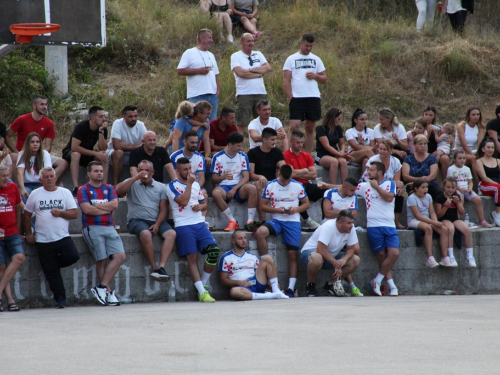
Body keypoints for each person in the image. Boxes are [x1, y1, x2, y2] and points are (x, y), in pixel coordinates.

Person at [24, 167, 80, 308]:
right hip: (43, 240)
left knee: (73, 256)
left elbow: (74, 214)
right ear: (41, 179)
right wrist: (29, 233)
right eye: (46, 177)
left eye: (51, 176)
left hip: (62, 237)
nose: (49, 179)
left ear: (56, 178)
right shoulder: (35, 194)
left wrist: (61, 213)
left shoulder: (65, 192)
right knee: (52, 274)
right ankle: (60, 299)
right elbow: (27, 214)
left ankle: (52, 265)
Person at [166, 157, 220, 303]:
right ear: (178, 171)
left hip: (199, 224)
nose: (189, 172)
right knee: (192, 258)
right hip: (183, 225)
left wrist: (200, 207)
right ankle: (202, 293)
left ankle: (203, 284)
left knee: (214, 251)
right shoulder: (172, 186)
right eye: (185, 169)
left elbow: (204, 203)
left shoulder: (195, 184)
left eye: (190, 168)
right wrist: (189, 184)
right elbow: (183, 201)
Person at [255, 164, 310, 298]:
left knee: (292, 254)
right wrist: (277, 210)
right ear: (279, 174)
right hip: (277, 220)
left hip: (293, 221)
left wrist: (295, 209)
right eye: (283, 180)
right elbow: (262, 206)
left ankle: (291, 288)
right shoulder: (271, 185)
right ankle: (266, 263)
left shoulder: (297, 185)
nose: (286, 183)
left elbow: (306, 204)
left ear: (291, 175)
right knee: (260, 232)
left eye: (288, 180)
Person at [115, 160, 176, 281]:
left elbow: (164, 210)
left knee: (171, 234)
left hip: (155, 220)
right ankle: (154, 268)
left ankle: (161, 267)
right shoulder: (132, 182)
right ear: (137, 171)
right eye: (141, 170)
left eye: (147, 170)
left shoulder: (161, 187)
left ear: (152, 172)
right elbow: (117, 191)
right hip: (136, 220)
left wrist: (157, 224)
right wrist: (135, 178)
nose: (144, 173)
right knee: (146, 234)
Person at [78, 161, 126, 306]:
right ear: (89, 174)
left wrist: (96, 206)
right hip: (92, 227)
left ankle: (102, 287)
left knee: (120, 256)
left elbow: (115, 205)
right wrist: (106, 209)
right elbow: (87, 210)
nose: (99, 173)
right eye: (96, 171)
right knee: (102, 260)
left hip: (110, 227)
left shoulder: (109, 188)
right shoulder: (83, 189)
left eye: (101, 171)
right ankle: (108, 293)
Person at [357, 162, 400, 297]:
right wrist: (326, 186)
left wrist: (376, 187)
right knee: (381, 256)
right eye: (368, 170)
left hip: (389, 225)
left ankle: (377, 280)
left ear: (379, 172)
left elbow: (389, 198)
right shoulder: (364, 186)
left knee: (394, 254)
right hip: (373, 226)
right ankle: (391, 285)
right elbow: (348, 187)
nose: (368, 172)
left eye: (371, 170)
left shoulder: (390, 183)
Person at [300, 210, 361, 297]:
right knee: (317, 258)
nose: (351, 225)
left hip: (330, 256)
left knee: (355, 260)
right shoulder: (329, 226)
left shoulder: (351, 228)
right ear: (340, 222)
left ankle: (331, 285)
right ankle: (310, 285)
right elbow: (320, 249)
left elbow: (351, 249)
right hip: (311, 253)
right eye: (349, 223)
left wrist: (343, 260)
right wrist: (336, 264)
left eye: (352, 222)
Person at [283, 33, 327, 154]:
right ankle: (288, 154)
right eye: (306, 45)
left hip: (313, 96)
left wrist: (316, 76)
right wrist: (290, 97)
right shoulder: (291, 59)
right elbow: (286, 79)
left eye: (311, 46)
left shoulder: (316, 59)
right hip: (297, 97)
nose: (308, 48)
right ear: (301, 43)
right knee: (294, 126)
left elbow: (324, 79)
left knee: (310, 127)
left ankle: (307, 156)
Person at [6, 95, 68, 179]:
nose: (45, 107)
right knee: (13, 156)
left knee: (63, 163)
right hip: (23, 153)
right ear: (34, 106)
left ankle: (47, 181)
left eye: (46, 104)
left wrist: (39, 156)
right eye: (42, 104)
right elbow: (6, 135)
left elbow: (48, 146)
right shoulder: (22, 119)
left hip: (39, 153)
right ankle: (15, 186)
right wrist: (16, 151)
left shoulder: (49, 123)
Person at [321, 178, 363, 297]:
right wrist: (346, 212)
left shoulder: (353, 195)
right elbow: (327, 213)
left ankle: (334, 283)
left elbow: (354, 215)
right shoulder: (330, 193)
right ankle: (350, 285)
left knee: (356, 250)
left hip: (347, 226)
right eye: (352, 190)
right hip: (330, 227)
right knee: (347, 252)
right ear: (344, 187)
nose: (354, 193)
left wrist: (340, 213)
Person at [218, 230, 289, 300]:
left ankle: (276, 290)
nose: (243, 241)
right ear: (233, 241)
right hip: (242, 287)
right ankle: (270, 296)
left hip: (256, 282)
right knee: (234, 292)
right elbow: (223, 280)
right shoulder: (226, 257)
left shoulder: (252, 257)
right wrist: (240, 282)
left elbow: (260, 274)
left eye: (245, 238)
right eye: (240, 238)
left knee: (267, 258)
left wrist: (269, 285)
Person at [211, 132, 258, 231]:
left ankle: (250, 222)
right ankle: (232, 221)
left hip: (238, 186)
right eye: (238, 146)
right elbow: (214, 178)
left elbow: (246, 177)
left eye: (241, 145)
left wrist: (234, 189)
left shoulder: (243, 156)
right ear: (230, 145)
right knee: (215, 193)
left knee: (252, 188)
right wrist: (223, 177)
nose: (241, 148)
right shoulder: (218, 157)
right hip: (223, 186)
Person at [62, 106, 109, 196]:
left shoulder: (102, 129)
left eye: (104, 116)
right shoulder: (81, 126)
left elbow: (102, 149)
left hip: (87, 154)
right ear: (93, 118)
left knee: (104, 155)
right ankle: (76, 187)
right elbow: (74, 147)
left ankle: (104, 186)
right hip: (70, 153)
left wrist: (100, 132)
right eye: (101, 117)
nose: (104, 119)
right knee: (76, 154)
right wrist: (95, 153)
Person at [231, 33, 271, 135]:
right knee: (242, 123)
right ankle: (238, 147)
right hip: (244, 94)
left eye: (252, 41)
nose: (251, 43)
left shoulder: (258, 54)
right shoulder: (236, 56)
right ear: (241, 43)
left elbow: (267, 68)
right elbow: (240, 73)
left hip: (260, 92)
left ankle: (264, 146)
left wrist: (250, 69)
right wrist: (258, 74)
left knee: (263, 121)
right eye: (248, 41)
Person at [406, 178, 451, 268]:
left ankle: (445, 257)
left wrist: (435, 221)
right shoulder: (411, 198)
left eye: (426, 187)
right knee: (428, 228)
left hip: (427, 220)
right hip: (413, 220)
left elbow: (432, 212)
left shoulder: (428, 196)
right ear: (416, 189)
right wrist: (432, 222)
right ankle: (430, 258)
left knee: (444, 230)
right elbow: (417, 216)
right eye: (423, 187)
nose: (426, 189)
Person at [177, 29, 220, 122]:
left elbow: (216, 74)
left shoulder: (211, 55)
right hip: (197, 95)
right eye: (210, 38)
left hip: (212, 96)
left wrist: (217, 91)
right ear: (202, 38)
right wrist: (198, 71)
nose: (211, 40)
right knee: (194, 121)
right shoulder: (189, 52)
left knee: (211, 123)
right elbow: (180, 70)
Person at [362, 140, 406, 228]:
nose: (381, 151)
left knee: (401, 192)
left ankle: (397, 221)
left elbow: (397, 179)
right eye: (380, 149)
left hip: (389, 185)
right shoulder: (373, 160)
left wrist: (399, 186)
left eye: (384, 149)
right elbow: (370, 176)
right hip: (373, 183)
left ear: (390, 151)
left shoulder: (396, 161)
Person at [283, 130, 322, 229]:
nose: (300, 145)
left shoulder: (307, 155)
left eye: (302, 142)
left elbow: (313, 174)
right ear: (291, 142)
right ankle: (308, 220)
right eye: (297, 142)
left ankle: (326, 219)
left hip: (307, 185)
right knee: (297, 191)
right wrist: (305, 170)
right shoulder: (285, 155)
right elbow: (289, 174)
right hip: (293, 185)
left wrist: (297, 173)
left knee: (326, 191)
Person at [435, 177, 476, 267]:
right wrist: (445, 206)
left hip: (455, 219)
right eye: (448, 187)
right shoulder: (440, 198)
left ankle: (470, 256)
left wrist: (458, 203)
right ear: (444, 187)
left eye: (453, 188)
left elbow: (462, 212)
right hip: (444, 219)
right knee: (450, 228)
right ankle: (451, 256)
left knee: (467, 230)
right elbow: (439, 215)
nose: (450, 190)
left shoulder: (457, 196)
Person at [248, 128, 285, 224]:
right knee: (259, 184)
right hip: (258, 181)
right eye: (272, 140)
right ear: (264, 140)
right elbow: (251, 174)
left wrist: (281, 172)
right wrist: (260, 177)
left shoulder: (277, 151)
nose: (275, 142)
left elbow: (283, 166)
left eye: (275, 139)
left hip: (273, 181)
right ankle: (263, 220)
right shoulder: (253, 152)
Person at [0, 165, 24, 312]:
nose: (6, 178)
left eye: (7, 175)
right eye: (3, 176)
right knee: (1, 267)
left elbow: (20, 207)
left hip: (12, 232)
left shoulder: (12, 187)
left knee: (20, 257)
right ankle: (10, 300)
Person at [448, 149, 491, 227]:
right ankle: (457, 220)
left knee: (478, 199)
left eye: (464, 158)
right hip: (456, 189)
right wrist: (460, 189)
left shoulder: (467, 169)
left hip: (466, 189)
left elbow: (470, 181)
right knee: (460, 198)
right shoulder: (451, 169)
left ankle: (482, 220)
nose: (462, 160)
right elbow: (450, 183)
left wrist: (470, 188)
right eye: (459, 158)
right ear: (454, 159)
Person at [106, 105, 147, 186]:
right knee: (119, 153)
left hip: (133, 154)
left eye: (135, 116)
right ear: (123, 116)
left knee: (146, 153)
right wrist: (136, 146)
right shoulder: (118, 123)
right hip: (113, 154)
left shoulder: (140, 125)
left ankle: (144, 184)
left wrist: (130, 145)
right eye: (130, 116)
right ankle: (116, 186)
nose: (133, 119)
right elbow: (116, 146)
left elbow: (146, 144)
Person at [314, 107, 353, 185]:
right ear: (333, 118)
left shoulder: (338, 128)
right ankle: (333, 186)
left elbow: (342, 143)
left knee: (343, 162)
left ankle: (344, 185)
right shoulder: (321, 129)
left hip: (335, 153)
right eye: (338, 119)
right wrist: (340, 154)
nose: (339, 121)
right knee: (334, 162)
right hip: (322, 154)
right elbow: (326, 146)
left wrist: (342, 151)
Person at [170, 101, 212, 167]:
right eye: (207, 114)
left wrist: (207, 156)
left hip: (193, 152)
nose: (209, 116)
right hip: (179, 150)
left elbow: (206, 140)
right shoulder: (182, 121)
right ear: (199, 114)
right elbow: (175, 139)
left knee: (208, 164)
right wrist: (177, 156)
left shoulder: (206, 122)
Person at [402, 134, 443, 200]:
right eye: (420, 144)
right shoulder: (408, 159)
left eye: (425, 144)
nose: (423, 146)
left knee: (439, 194)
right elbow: (405, 176)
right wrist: (419, 181)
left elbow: (432, 176)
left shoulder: (432, 158)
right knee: (412, 195)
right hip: (414, 184)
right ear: (415, 145)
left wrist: (423, 183)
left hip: (430, 184)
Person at [16, 132, 51, 203]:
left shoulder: (45, 154)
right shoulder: (22, 154)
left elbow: (48, 171)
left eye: (37, 142)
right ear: (28, 143)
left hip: (41, 184)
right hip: (27, 185)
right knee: (25, 195)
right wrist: (22, 189)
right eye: (32, 142)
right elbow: (20, 172)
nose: (35, 144)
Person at [453, 106, 485, 181]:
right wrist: (474, 155)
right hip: (459, 150)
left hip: (473, 150)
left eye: (477, 114)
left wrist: (479, 153)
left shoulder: (480, 127)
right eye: (473, 115)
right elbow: (464, 145)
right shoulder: (462, 126)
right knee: (474, 158)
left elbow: (480, 143)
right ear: (468, 116)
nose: (476, 117)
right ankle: (478, 183)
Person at [475, 137, 500, 227]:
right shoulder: (479, 161)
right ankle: (496, 213)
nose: (491, 150)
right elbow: (484, 177)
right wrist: (497, 184)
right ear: (483, 149)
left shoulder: (498, 161)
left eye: (492, 147)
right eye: (488, 147)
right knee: (498, 188)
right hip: (485, 184)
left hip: (497, 184)